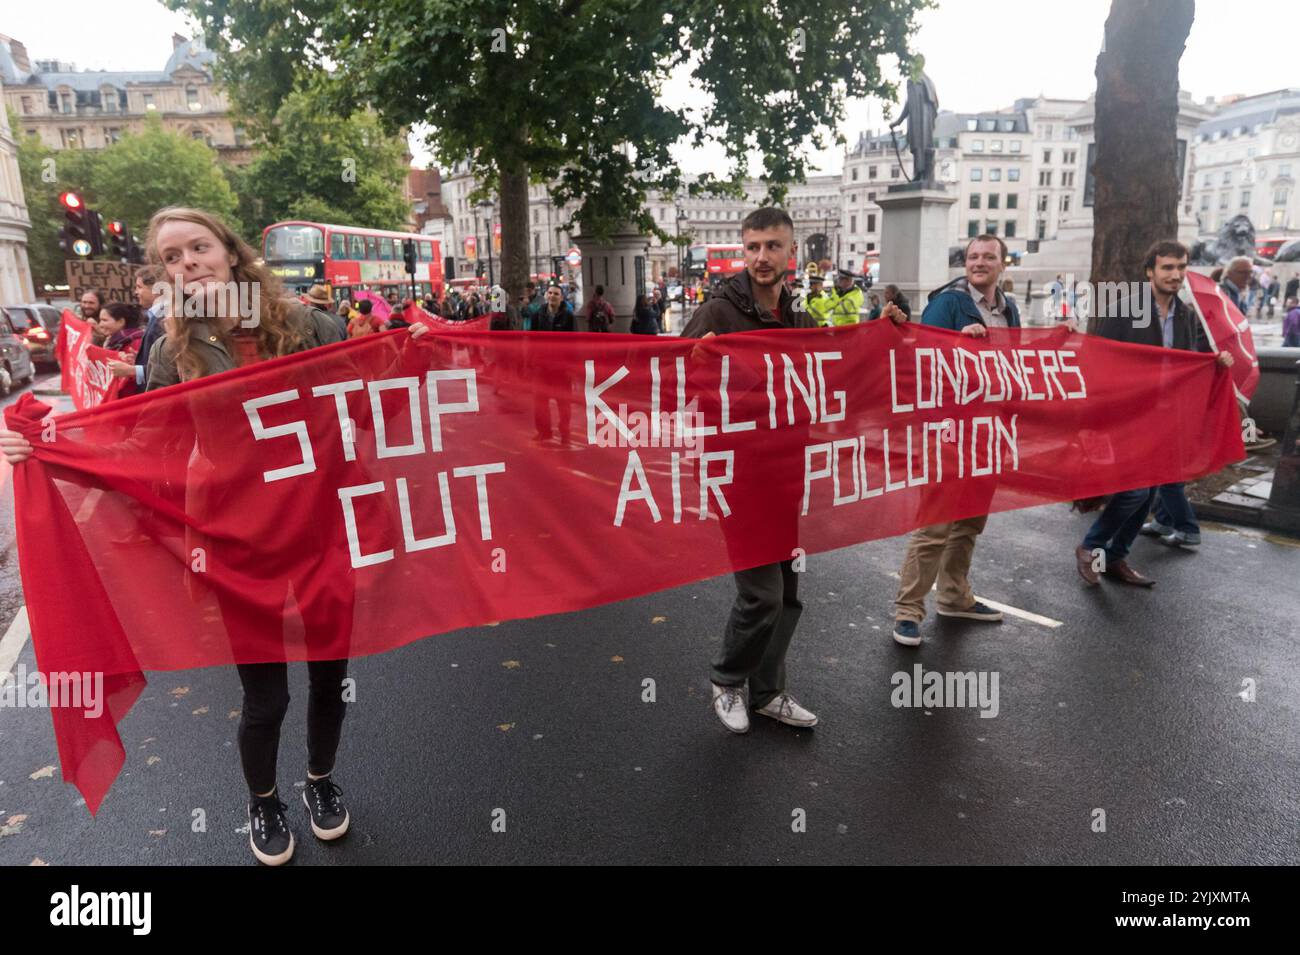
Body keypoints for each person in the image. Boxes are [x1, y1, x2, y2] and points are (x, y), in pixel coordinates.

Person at [0, 207, 432, 866]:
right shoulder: (173, 351)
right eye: (171, 258)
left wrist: (420, 354)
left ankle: (320, 781)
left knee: (328, 680)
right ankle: (264, 800)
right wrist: (44, 443)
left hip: (323, 535)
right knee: (266, 697)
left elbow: (370, 406)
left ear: (230, 252)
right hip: (241, 546)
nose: (187, 263)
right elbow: (144, 448)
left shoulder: (308, 324)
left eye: (197, 247)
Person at [681, 206, 818, 734]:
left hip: (785, 472)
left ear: (791, 252)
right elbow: (669, 376)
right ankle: (727, 680)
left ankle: (768, 692)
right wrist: (693, 361)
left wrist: (895, 330)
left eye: (773, 246)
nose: (762, 257)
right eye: (753, 246)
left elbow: (846, 362)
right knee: (760, 593)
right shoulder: (718, 312)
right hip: (735, 475)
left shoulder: (799, 317)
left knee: (786, 592)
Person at [891, 234, 1034, 647]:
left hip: (989, 433)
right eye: (973, 256)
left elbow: (1015, 366)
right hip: (949, 433)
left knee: (969, 521)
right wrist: (957, 345)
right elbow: (923, 358)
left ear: (1003, 264)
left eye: (989, 256)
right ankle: (908, 610)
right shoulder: (949, 303)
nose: (979, 262)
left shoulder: (1011, 310)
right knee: (934, 525)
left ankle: (954, 596)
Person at [1076, 239, 1234, 586]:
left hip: (1165, 421)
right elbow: (1097, 363)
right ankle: (1090, 547)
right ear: (1150, 271)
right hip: (1127, 418)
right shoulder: (1123, 310)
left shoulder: (1188, 316)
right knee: (1134, 492)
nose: (1175, 275)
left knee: (1147, 494)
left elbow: (1200, 359)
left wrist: (1220, 361)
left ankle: (1116, 557)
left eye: (1181, 268)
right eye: (1167, 268)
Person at [532, 284, 577, 443]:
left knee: (563, 403)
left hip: (561, 368)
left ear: (561, 297)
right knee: (540, 402)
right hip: (542, 367)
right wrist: (532, 362)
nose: (552, 296)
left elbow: (574, 344)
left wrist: (572, 367)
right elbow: (533, 340)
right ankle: (544, 431)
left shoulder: (569, 316)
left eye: (556, 294)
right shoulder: (538, 315)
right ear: (546, 295)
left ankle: (564, 432)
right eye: (550, 293)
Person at [98, 302, 145, 399]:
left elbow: (144, 378)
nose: (100, 324)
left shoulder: (136, 342)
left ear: (121, 322)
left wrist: (131, 368)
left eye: (104, 320)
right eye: (100, 320)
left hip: (132, 400)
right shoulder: (112, 342)